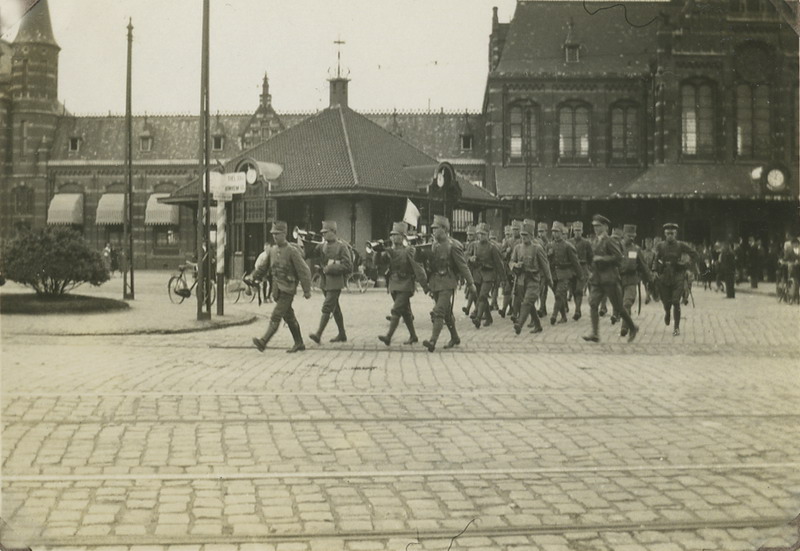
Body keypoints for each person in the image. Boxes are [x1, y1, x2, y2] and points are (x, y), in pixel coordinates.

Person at [250, 221, 312, 353]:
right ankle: (299, 343)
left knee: (276, 315)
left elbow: (304, 271)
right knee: (289, 316)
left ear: (284, 234)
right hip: (277, 290)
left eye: (277, 234)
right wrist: (253, 277)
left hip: (288, 290)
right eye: (273, 234)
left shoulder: (292, 251)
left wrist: (307, 290)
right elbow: (263, 268)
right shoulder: (272, 251)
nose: (274, 237)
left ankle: (263, 341)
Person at [422, 215, 476, 352]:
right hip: (435, 282)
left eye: (436, 228)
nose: (433, 231)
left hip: (447, 282)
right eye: (432, 229)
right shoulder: (432, 245)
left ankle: (432, 341)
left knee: (439, 311)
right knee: (446, 313)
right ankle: (455, 337)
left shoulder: (454, 246)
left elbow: (463, 266)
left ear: (444, 229)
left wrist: (470, 283)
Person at [582, 214, 639, 343]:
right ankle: (595, 333)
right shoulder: (595, 241)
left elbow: (619, 257)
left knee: (618, 307)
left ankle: (632, 327)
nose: (596, 229)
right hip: (597, 279)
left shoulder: (610, 241)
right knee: (593, 303)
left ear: (606, 227)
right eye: (594, 226)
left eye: (599, 226)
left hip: (609, 279)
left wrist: (603, 259)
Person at [378, 221, 429, 346]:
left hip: (406, 284)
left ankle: (388, 336)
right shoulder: (389, 251)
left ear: (403, 237)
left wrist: (425, 285)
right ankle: (413, 336)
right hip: (394, 284)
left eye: (398, 235)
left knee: (396, 310)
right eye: (393, 235)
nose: (395, 237)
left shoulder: (409, 251)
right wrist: (378, 251)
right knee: (405, 312)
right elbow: (378, 262)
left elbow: (417, 268)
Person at [308, 220, 353, 345]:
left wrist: (331, 268)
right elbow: (310, 253)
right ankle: (342, 334)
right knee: (335, 308)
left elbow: (348, 266)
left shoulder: (342, 247)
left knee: (327, 306)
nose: (323, 235)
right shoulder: (322, 246)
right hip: (325, 282)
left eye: (326, 232)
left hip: (335, 282)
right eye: (322, 233)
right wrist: (306, 241)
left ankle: (318, 334)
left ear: (333, 232)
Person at [652, 222, 699, 336]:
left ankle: (676, 327)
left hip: (678, 275)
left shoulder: (680, 245)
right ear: (664, 234)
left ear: (676, 234)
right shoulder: (660, 246)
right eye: (668, 233)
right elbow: (655, 259)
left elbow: (695, 255)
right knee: (666, 303)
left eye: (672, 233)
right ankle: (667, 312)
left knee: (675, 301)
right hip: (664, 276)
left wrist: (687, 265)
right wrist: (654, 270)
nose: (670, 236)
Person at [510, 221, 552, 335]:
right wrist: (515, 265)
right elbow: (511, 261)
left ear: (531, 236)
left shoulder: (537, 248)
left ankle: (519, 324)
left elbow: (545, 265)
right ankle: (538, 325)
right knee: (529, 304)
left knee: (527, 302)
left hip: (534, 279)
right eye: (522, 235)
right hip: (521, 280)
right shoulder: (517, 248)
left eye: (526, 235)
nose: (524, 238)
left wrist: (549, 280)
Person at [467, 222, 506, 329]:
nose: (481, 236)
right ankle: (488, 318)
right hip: (477, 275)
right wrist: (471, 259)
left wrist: (503, 279)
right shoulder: (474, 245)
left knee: (483, 296)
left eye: (483, 234)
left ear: (488, 235)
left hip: (489, 274)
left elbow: (499, 264)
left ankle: (478, 318)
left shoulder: (492, 247)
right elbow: (466, 256)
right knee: (480, 296)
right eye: (479, 234)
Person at [619, 224, 652, 337]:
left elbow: (644, 266)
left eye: (633, 236)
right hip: (618, 280)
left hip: (631, 280)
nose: (631, 238)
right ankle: (630, 324)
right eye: (629, 235)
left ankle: (624, 326)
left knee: (627, 303)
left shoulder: (636, 249)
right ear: (623, 235)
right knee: (620, 306)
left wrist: (650, 278)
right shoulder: (616, 247)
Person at [547, 221, 581, 325]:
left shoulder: (568, 246)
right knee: (560, 296)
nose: (555, 234)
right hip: (554, 274)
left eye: (557, 232)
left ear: (562, 233)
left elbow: (575, 262)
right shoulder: (550, 245)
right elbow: (547, 261)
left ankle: (554, 315)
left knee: (559, 294)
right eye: (553, 232)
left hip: (565, 273)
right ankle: (563, 317)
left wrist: (580, 275)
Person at [570, 221, 592, 320]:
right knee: (574, 290)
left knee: (579, 290)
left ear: (582, 231)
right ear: (573, 231)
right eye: (576, 230)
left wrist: (590, 269)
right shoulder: (569, 242)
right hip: (572, 269)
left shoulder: (586, 243)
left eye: (579, 230)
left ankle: (577, 310)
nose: (577, 232)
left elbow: (590, 257)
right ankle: (577, 308)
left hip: (583, 268)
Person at [499, 220, 522, 319]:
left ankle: (516, 311)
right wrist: (507, 253)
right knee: (508, 290)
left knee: (518, 291)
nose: (514, 231)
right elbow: (501, 254)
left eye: (516, 229)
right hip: (509, 269)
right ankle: (504, 309)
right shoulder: (508, 241)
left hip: (519, 270)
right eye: (513, 229)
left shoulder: (522, 241)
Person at [461, 224, 478, 317]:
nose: (469, 236)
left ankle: (470, 308)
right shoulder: (466, 244)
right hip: (468, 270)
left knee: (473, 290)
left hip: (475, 271)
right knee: (473, 291)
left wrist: (470, 258)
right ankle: (476, 310)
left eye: (471, 235)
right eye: (468, 234)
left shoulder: (475, 244)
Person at [535, 221, 550, 317]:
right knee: (541, 290)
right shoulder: (536, 242)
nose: (540, 234)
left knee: (544, 290)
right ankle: (542, 308)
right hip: (539, 270)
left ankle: (542, 307)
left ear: (546, 232)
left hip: (547, 270)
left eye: (542, 232)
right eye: (539, 231)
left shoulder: (549, 243)